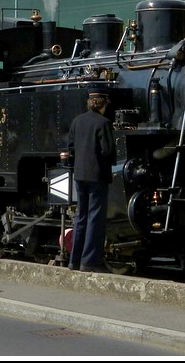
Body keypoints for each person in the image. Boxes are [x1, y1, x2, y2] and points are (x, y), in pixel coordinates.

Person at [67, 93, 116, 273]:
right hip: (97, 176)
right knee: (95, 217)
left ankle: (74, 259)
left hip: (80, 175)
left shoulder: (77, 121)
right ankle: (90, 261)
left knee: (81, 216)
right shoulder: (103, 123)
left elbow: (71, 146)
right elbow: (108, 150)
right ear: (102, 105)